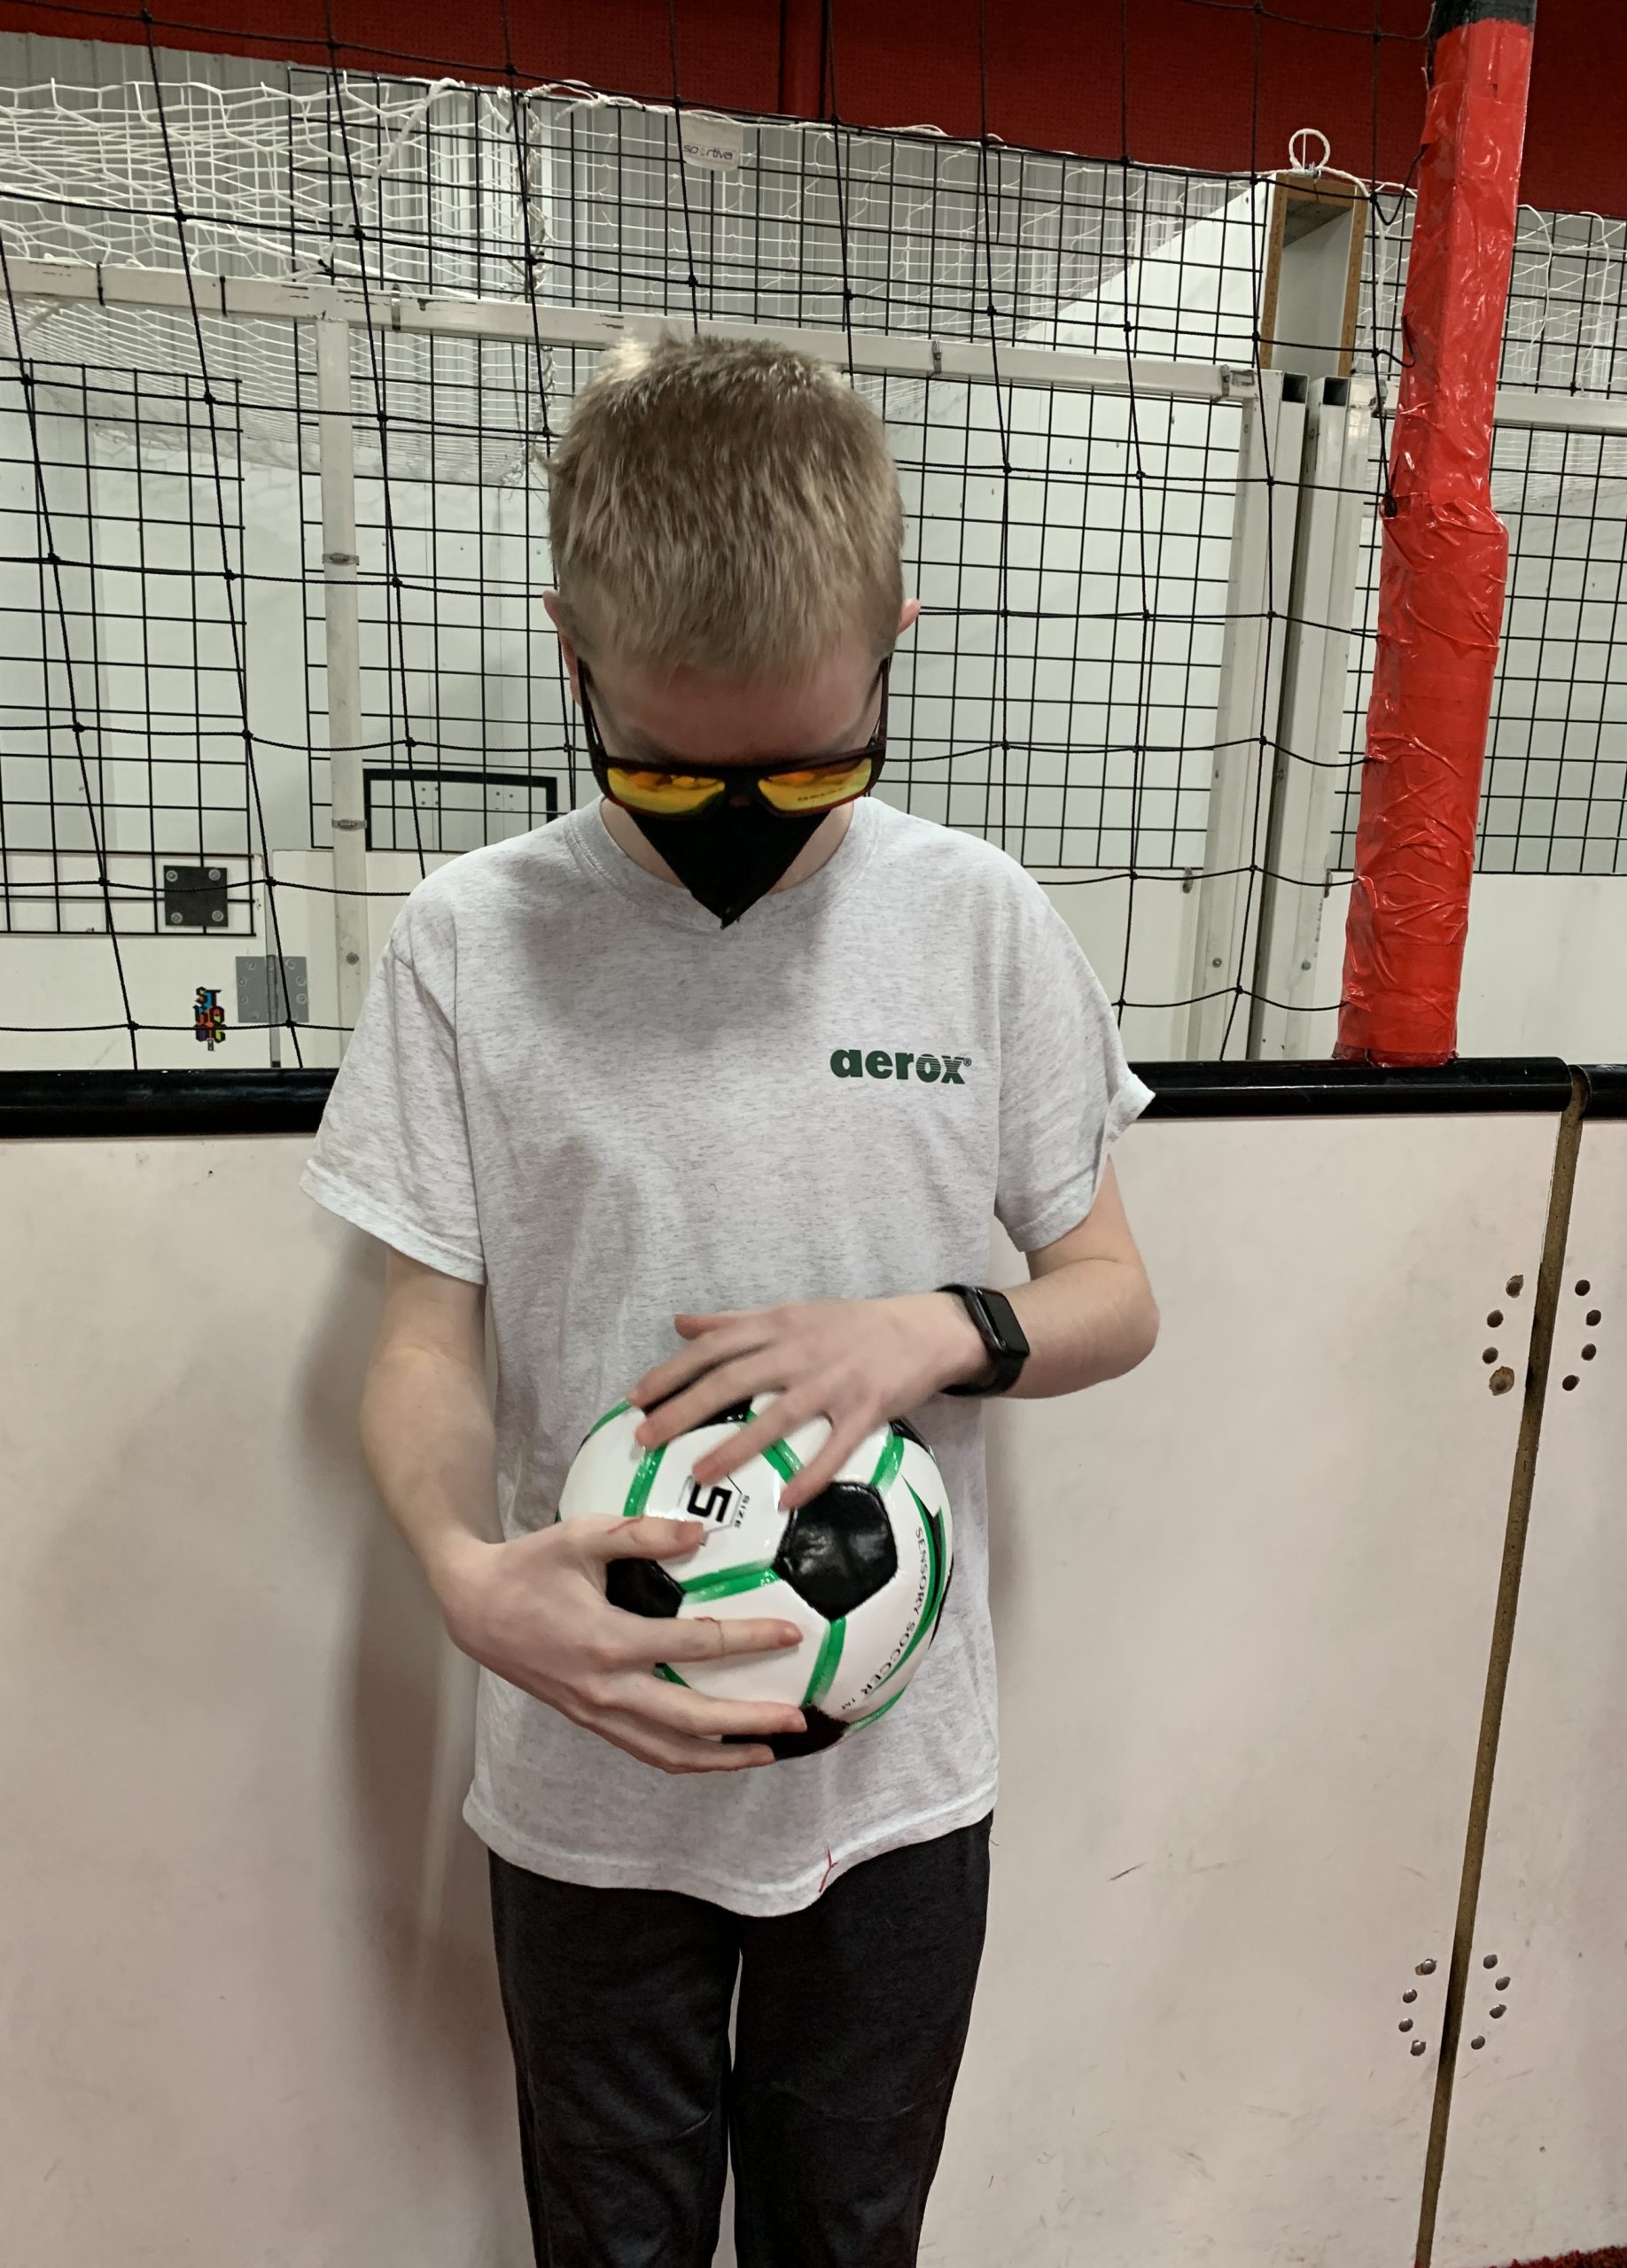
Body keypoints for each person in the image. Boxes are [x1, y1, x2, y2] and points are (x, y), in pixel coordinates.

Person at [302, 334, 1160, 2268]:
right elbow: (421, 1346)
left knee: (848, 2235)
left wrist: (935, 1323)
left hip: (901, 1775)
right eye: (675, 765)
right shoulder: (467, 946)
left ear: (892, 645)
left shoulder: (981, 923)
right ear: (574, 654)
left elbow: (1111, 1293)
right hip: (589, 1770)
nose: (745, 825)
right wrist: (452, 1556)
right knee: (609, 2240)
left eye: (813, 762)